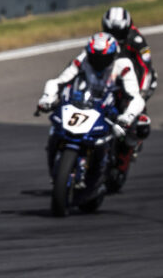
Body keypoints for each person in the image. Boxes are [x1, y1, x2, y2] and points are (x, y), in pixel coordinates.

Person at [37, 33, 147, 192]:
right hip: (84, 104)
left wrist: (127, 117)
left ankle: (120, 164)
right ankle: (58, 166)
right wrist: (47, 97)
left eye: (103, 58)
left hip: (113, 110)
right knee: (55, 127)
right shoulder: (83, 60)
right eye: (94, 57)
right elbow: (57, 82)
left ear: (113, 55)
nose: (98, 62)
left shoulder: (123, 66)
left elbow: (136, 98)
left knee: (139, 126)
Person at [101, 7, 158, 100]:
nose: (116, 37)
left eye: (120, 33)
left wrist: (141, 93)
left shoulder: (138, 40)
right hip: (110, 79)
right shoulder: (102, 40)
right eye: (112, 32)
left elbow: (146, 67)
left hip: (135, 79)